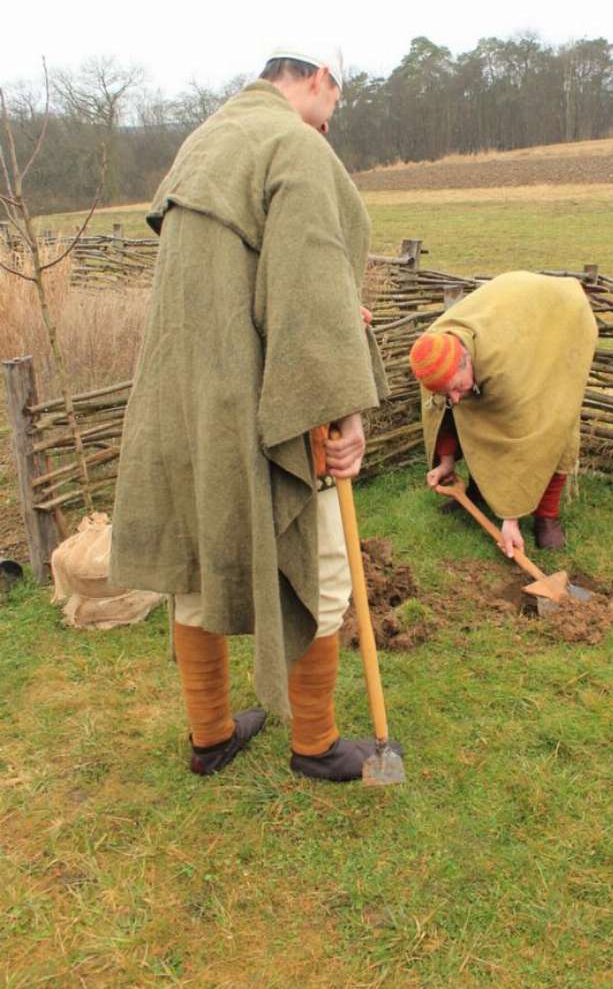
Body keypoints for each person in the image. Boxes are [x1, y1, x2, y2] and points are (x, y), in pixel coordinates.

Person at [110, 44, 399, 782]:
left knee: (196, 563)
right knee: (319, 565)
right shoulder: (291, 144)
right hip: (262, 399)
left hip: (182, 399)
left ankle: (210, 735)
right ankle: (316, 743)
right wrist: (346, 409)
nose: (329, 123)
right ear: (316, 80)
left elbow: (242, 277)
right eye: (333, 102)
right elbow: (305, 292)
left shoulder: (202, 142)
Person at [408, 271, 598, 555]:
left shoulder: (506, 370)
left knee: (554, 419)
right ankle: (478, 492)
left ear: (466, 360)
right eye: (448, 391)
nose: (455, 397)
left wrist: (510, 519)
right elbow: (442, 411)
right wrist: (446, 461)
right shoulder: (434, 354)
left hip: (562, 315)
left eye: (458, 386)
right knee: (471, 413)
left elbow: (524, 436)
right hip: (510, 309)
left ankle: (546, 515)